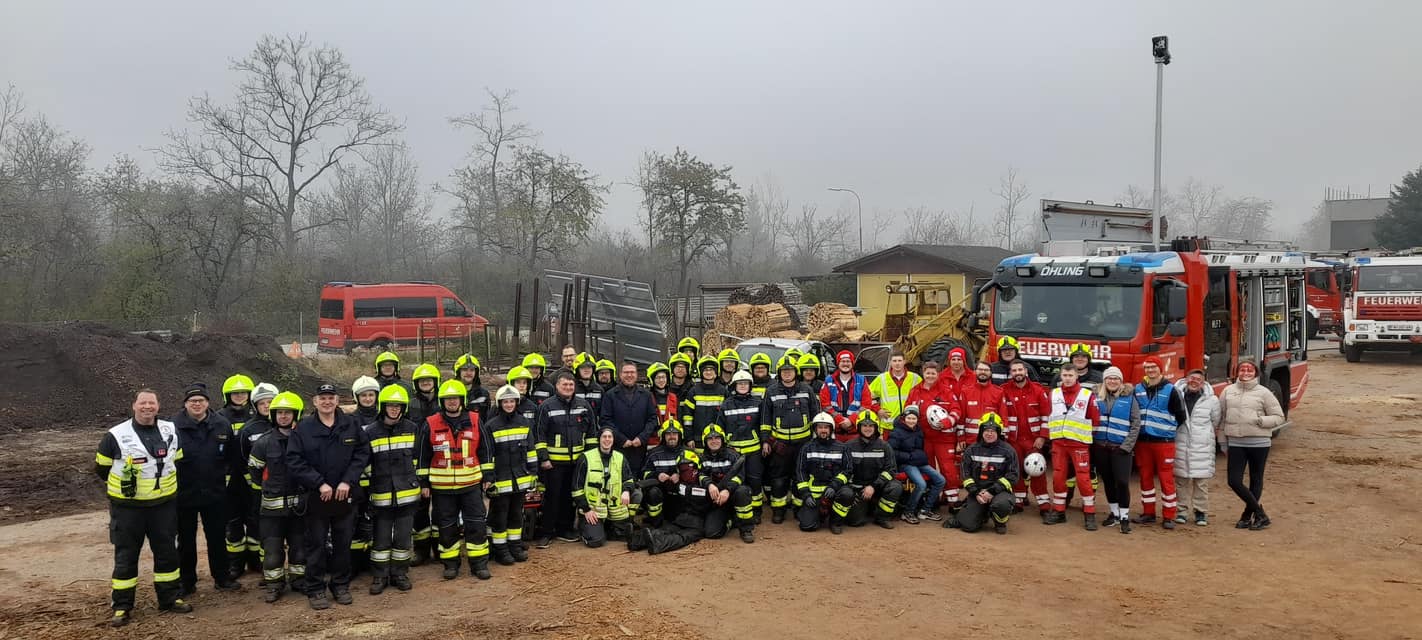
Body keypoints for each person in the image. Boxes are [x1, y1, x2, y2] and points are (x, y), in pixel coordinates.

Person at [96, 389, 189, 627]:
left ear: (158, 406)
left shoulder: (170, 429)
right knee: (126, 557)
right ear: (134, 406)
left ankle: (170, 598)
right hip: (128, 509)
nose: (147, 407)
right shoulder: (115, 435)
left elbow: (176, 459)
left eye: (152, 403)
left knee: (167, 554)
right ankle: (122, 606)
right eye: (143, 403)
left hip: (163, 506)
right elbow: (102, 467)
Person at [286, 383, 370, 610]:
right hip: (317, 497)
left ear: (337, 401)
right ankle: (315, 589)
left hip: (345, 496)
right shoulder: (303, 428)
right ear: (314, 402)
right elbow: (294, 460)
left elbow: (362, 453)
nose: (327, 402)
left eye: (331, 397)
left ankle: (340, 585)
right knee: (316, 545)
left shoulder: (350, 424)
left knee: (343, 544)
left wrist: (347, 481)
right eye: (322, 398)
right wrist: (319, 483)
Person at [417, 379, 491, 579]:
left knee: (476, 523)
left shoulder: (475, 420)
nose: (452, 402)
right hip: (442, 488)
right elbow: (423, 456)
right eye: (448, 399)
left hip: (471, 484)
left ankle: (479, 564)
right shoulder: (431, 423)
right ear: (442, 401)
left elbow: (485, 450)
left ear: (462, 399)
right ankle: (450, 564)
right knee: (447, 526)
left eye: (455, 398)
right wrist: (424, 483)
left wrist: (488, 476)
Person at [172, 382, 240, 595]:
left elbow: (232, 457)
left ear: (208, 403)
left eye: (201, 400)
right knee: (186, 540)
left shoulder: (222, 424)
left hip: (215, 492)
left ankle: (222, 577)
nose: (197, 404)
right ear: (185, 404)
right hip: (184, 493)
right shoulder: (172, 426)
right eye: (192, 401)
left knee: (217, 537)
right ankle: (187, 581)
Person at [249, 392, 307, 603]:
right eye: (279, 413)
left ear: (295, 414)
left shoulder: (304, 441)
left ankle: (299, 580)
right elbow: (254, 473)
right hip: (272, 510)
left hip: (299, 507)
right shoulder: (263, 443)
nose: (283, 416)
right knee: (272, 549)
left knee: (299, 547)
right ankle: (274, 584)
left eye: (287, 412)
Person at [363, 384, 421, 594]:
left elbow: (417, 460)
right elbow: (365, 463)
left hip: (407, 495)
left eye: (398, 406)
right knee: (381, 539)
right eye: (390, 406)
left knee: (403, 538)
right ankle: (379, 576)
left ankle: (399, 573)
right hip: (381, 495)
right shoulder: (370, 432)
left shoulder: (412, 429)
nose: (394, 409)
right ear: (382, 407)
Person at [1219, 359, 1285, 531]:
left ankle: (1247, 516)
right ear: (1237, 373)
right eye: (1242, 370)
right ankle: (1260, 514)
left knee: (1256, 479)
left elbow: (1279, 417)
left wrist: (1260, 421)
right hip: (1235, 442)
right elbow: (1221, 419)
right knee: (1234, 481)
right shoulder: (1227, 391)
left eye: (1249, 370)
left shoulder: (1264, 393)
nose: (1245, 373)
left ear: (1256, 373)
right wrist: (1222, 442)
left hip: (1259, 442)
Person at [533, 371, 597, 547]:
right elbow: (539, 435)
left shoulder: (584, 406)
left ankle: (565, 529)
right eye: (564, 385)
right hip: (553, 463)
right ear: (557, 386)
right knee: (552, 497)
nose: (568, 388)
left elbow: (591, 433)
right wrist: (544, 459)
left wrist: (589, 458)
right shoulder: (547, 406)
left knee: (571, 497)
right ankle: (547, 532)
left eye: (571, 385)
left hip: (577, 462)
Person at [480, 385, 538, 565]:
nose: (509, 404)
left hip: (520, 478)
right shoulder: (491, 425)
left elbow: (530, 450)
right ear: (499, 403)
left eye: (512, 401)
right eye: (505, 401)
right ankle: (500, 549)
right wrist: (488, 477)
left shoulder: (524, 422)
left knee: (516, 514)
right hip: (501, 480)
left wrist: (534, 472)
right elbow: (487, 454)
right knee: (499, 515)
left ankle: (514, 545)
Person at [761, 355, 820, 523]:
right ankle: (778, 510)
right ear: (779, 373)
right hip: (780, 445)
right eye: (784, 371)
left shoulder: (806, 390)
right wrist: (766, 441)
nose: (787, 373)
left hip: (803, 444)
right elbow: (765, 419)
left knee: (799, 478)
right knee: (779, 479)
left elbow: (816, 416)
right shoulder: (771, 391)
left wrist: (814, 441)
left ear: (796, 372)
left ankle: (798, 508)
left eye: (790, 370)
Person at [1044, 367, 1101, 529]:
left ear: (1077, 376)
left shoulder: (1087, 395)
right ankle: (1059, 511)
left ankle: (1089, 514)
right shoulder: (1053, 394)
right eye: (1065, 375)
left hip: (1079, 444)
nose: (1068, 378)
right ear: (1060, 376)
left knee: (1083, 478)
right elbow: (1048, 415)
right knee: (1058, 478)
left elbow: (1095, 420)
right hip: (1059, 444)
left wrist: (1084, 437)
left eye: (1071, 375)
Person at [1133, 356, 1186, 529]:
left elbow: (1181, 416)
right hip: (1142, 441)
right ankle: (1148, 513)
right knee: (1145, 478)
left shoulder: (1171, 390)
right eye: (1147, 367)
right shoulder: (1138, 389)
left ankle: (1169, 516)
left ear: (1160, 369)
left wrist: (1166, 430)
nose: (1150, 370)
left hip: (1164, 442)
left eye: (1153, 367)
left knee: (1166, 479)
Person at [626, 446, 708, 555]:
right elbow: (659, 482)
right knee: (664, 530)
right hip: (681, 518)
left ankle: (657, 546)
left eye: (686, 469)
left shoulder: (705, 482)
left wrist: (680, 486)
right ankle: (635, 541)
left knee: (680, 538)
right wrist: (639, 484)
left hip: (698, 523)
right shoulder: (679, 480)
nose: (683, 472)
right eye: (680, 469)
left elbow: (699, 494)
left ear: (695, 469)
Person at [237, 382, 280, 582]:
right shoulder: (249, 429)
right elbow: (244, 459)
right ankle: (265, 568)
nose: (266, 405)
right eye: (262, 403)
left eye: (270, 402)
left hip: (285, 487)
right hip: (260, 490)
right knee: (264, 531)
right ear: (255, 405)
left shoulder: (286, 423)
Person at [950, 412, 1018, 534]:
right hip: (978, 492)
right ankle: (982, 513)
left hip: (999, 493)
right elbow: (965, 476)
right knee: (968, 526)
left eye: (993, 430)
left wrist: (991, 492)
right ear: (981, 431)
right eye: (986, 430)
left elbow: (1013, 476)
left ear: (999, 431)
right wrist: (976, 492)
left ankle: (1000, 522)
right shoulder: (971, 450)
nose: (989, 433)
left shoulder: (1008, 451)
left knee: (1001, 505)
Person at [218, 374, 259, 579]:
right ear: (228, 396)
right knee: (232, 524)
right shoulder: (219, 418)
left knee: (254, 521)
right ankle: (235, 564)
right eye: (235, 393)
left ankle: (255, 561)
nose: (240, 396)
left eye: (243, 393)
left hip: (251, 478)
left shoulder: (257, 416)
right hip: (230, 480)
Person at [906, 361, 961, 509]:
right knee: (927, 468)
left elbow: (957, 410)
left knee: (948, 468)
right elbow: (908, 411)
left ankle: (952, 500)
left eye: (933, 373)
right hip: (924, 439)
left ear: (938, 374)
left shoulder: (946, 391)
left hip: (944, 438)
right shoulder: (915, 391)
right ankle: (932, 497)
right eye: (927, 373)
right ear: (923, 374)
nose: (930, 376)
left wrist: (948, 421)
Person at [1092, 367, 1141, 534]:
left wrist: (1126, 446)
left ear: (1121, 381)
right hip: (1101, 447)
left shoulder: (1129, 398)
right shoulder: (1096, 397)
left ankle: (1125, 516)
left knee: (1122, 482)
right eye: (1109, 378)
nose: (1112, 381)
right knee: (1108, 481)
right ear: (1104, 381)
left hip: (1121, 449)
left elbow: (1136, 424)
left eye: (1116, 379)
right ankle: (1114, 513)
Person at [572, 427, 638, 547]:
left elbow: (628, 479)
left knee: (622, 536)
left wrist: (626, 491)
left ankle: (612, 527)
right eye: (604, 437)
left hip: (614, 510)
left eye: (610, 437)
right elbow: (576, 487)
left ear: (613, 440)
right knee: (596, 541)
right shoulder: (585, 458)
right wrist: (586, 509)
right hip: (592, 510)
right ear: (599, 439)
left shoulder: (620, 457)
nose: (607, 440)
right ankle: (584, 527)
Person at [1000, 360, 1051, 515]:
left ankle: (1043, 503)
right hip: (1013, 439)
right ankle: (1018, 501)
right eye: (1014, 371)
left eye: (1020, 370)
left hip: (1033, 440)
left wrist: (1042, 437)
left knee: (1037, 470)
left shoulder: (1038, 390)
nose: (1017, 373)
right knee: (1016, 470)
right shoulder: (1003, 390)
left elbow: (1047, 416)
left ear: (1026, 372)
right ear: (1011, 373)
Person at [1174, 368, 1221, 527]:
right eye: (1192, 378)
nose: (1194, 382)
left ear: (1203, 383)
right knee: (1181, 481)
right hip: (1180, 442)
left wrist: (1203, 435)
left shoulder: (1212, 400)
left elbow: (1215, 421)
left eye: (1198, 380)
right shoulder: (1176, 395)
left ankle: (1201, 512)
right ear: (1186, 379)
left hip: (1202, 445)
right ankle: (1181, 511)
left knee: (1201, 482)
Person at [794, 413, 855, 534]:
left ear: (831, 429)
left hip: (834, 490)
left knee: (847, 494)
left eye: (826, 427)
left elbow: (848, 470)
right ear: (815, 429)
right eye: (820, 427)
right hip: (814, 493)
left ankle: (835, 522)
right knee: (807, 526)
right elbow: (800, 471)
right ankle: (819, 515)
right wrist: (806, 494)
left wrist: (835, 485)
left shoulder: (842, 448)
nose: (823, 430)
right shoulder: (806, 448)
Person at [717, 370, 765, 522]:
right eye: (740, 383)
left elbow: (763, 425)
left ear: (750, 386)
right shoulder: (726, 404)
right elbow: (720, 428)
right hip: (733, 452)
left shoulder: (758, 402)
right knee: (736, 482)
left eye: (746, 383)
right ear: (734, 385)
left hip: (753, 450)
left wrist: (764, 442)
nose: (743, 386)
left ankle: (756, 511)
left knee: (755, 480)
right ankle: (736, 511)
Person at [698, 425, 756, 542]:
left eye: (717, 438)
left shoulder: (733, 455)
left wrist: (728, 490)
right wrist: (709, 484)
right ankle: (732, 520)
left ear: (723, 439)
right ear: (705, 441)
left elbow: (740, 477)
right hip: (715, 499)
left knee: (743, 491)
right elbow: (699, 474)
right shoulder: (701, 458)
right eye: (710, 439)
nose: (714, 441)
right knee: (712, 533)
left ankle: (746, 529)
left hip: (732, 495)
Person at [887, 406, 944, 524]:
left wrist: (918, 457)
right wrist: (909, 457)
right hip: (906, 464)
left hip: (919, 462)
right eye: (909, 418)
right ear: (904, 418)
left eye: (914, 418)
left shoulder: (919, 430)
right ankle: (908, 512)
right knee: (921, 484)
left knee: (940, 480)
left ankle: (925, 510)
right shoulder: (896, 432)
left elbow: (920, 447)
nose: (911, 421)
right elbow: (891, 452)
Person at [346, 376, 380, 572]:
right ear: (356, 397)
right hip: (358, 480)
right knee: (356, 520)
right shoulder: (350, 421)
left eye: (371, 395)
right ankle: (356, 561)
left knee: (377, 519)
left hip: (379, 478)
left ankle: (375, 558)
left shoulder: (383, 417)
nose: (368, 399)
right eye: (363, 395)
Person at [601, 360, 658, 476]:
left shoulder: (646, 395)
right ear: (620, 375)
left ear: (637, 375)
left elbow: (652, 419)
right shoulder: (610, 395)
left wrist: (641, 438)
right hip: (618, 447)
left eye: (632, 372)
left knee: (638, 480)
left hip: (640, 449)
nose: (629, 375)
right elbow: (605, 420)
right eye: (626, 372)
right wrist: (621, 439)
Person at [844, 413, 901, 529]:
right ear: (858, 427)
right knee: (855, 522)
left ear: (876, 427)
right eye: (864, 425)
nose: (868, 428)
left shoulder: (885, 446)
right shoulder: (849, 446)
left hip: (878, 487)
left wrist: (873, 486)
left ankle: (882, 517)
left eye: (871, 425)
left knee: (896, 486)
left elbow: (891, 470)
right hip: (858, 489)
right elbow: (844, 470)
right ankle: (867, 507)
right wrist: (851, 491)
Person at [641, 421, 691, 527]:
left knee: (678, 522)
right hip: (660, 495)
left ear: (680, 435)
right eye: (668, 434)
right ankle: (655, 522)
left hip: (679, 496)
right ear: (663, 436)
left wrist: (681, 477)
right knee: (653, 492)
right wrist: (657, 475)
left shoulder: (689, 454)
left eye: (674, 434)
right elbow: (644, 474)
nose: (671, 437)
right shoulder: (653, 454)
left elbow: (696, 476)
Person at [822, 350, 873, 438]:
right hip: (835, 432)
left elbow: (866, 404)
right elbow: (825, 405)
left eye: (848, 361)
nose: (845, 364)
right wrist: (840, 420)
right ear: (838, 363)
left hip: (855, 431)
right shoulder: (829, 381)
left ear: (852, 363)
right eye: (843, 361)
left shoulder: (861, 380)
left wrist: (851, 420)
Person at [869, 351, 921, 435]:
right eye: (894, 361)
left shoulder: (915, 378)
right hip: (889, 426)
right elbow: (866, 396)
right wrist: (877, 409)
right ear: (890, 362)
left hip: (909, 425)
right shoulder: (882, 378)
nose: (897, 364)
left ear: (904, 361)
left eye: (899, 361)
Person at [957, 362, 1005, 452]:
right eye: (980, 369)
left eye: (986, 370)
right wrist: (961, 437)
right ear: (975, 372)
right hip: (970, 440)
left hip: (991, 440)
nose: (983, 372)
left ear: (991, 373)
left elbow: (1003, 417)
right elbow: (961, 417)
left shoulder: (999, 392)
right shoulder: (966, 391)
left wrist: (1002, 438)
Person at [680, 356, 726, 450]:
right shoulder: (693, 392)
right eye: (705, 370)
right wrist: (689, 438)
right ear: (701, 372)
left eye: (711, 370)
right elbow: (687, 417)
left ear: (716, 372)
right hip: (698, 439)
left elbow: (728, 417)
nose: (708, 372)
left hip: (718, 439)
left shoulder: (723, 391)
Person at [455, 354, 491, 420]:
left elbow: (487, 419)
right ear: (458, 372)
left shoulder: (483, 394)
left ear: (476, 373)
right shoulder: (451, 393)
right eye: (465, 370)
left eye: (472, 370)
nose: (469, 373)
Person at [646, 362, 680, 428]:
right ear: (652, 380)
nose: (661, 380)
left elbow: (678, 419)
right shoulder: (647, 398)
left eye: (663, 377)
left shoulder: (673, 397)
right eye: (658, 377)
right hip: (653, 436)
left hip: (670, 435)